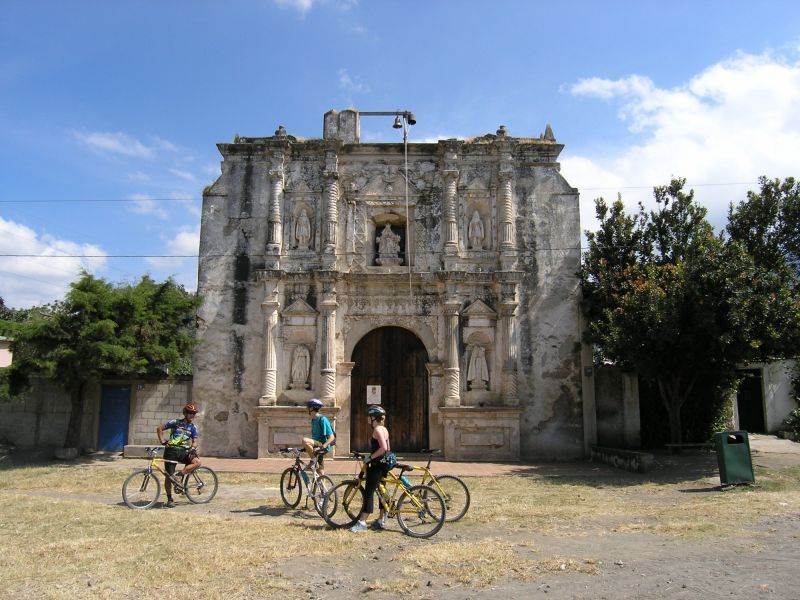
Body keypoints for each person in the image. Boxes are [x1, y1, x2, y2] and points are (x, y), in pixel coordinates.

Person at [350, 405, 391, 532]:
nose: (368, 419)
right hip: (383, 464)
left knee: (369, 493)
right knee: (381, 492)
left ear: (374, 417)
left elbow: (383, 448)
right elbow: (388, 449)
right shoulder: (384, 429)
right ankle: (380, 520)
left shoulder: (377, 430)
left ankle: (362, 522)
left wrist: (370, 457)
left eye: (369, 416)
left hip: (376, 465)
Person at [156, 404, 201, 508]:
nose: (192, 415)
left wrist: (193, 448)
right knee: (168, 476)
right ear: (185, 413)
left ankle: (179, 476)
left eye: (194, 413)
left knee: (197, 462)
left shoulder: (193, 427)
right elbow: (159, 428)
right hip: (171, 451)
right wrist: (162, 441)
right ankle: (170, 499)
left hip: (184, 452)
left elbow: (195, 442)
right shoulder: (175, 423)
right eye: (190, 413)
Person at [301, 398, 335, 475]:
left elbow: (332, 437)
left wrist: (322, 446)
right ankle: (323, 486)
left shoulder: (323, 419)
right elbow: (315, 438)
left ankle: (313, 460)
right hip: (317, 446)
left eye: (308, 407)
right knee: (320, 470)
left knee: (304, 440)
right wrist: (307, 447)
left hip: (322, 446)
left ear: (312, 408)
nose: (306, 409)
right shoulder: (313, 420)